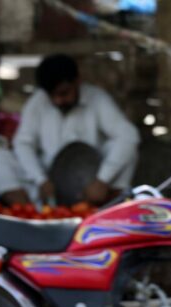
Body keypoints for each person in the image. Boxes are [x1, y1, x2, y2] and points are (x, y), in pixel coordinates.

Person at [11, 54, 139, 205]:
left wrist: (102, 180)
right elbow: (22, 144)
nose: (58, 100)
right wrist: (41, 180)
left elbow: (129, 136)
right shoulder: (37, 102)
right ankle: (23, 209)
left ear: (77, 81)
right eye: (52, 95)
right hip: (49, 183)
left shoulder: (96, 98)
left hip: (93, 181)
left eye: (64, 93)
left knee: (127, 150)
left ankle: (115, 204)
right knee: (0, 156)